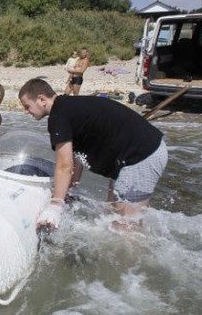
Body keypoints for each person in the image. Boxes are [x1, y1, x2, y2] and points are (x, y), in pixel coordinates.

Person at [18, 78, 167, 231]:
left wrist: (56, 204)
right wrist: (71, 188)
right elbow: (76, 155)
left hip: (141, 156)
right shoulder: (68, 107)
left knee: (126, 228)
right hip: (140, 152)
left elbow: (64, 165)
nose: (26, 112)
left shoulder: (58, 116)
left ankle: (137, 252)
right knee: (112, 214)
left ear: (41, 99)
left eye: (27, 106)